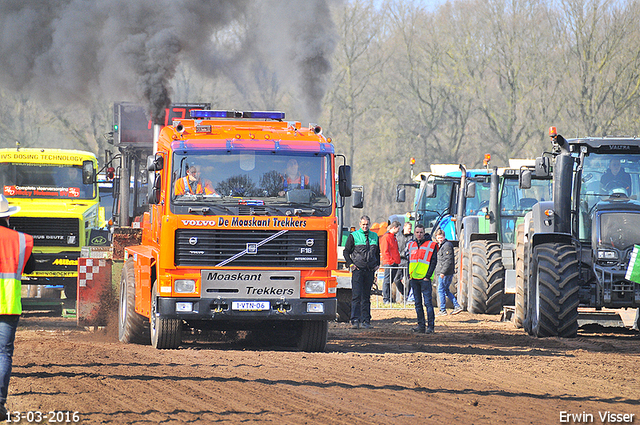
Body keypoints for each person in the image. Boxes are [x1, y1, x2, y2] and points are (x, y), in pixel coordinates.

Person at [0, 195, 35, 420]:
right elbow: (30, 268)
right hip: (8, 305)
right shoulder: (22, 240)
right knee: (3, 353)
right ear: (8, 216)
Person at [343, 215, 380, 329]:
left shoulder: (375, 236)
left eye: (367, 224)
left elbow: (377, 252)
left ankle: (366, 320)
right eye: (363, 224)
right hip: (358, 270)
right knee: (356, 296)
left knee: (366, 297)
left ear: (369, 224)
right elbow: (346, 252)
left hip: (369, 271)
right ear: (360, 224)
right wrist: (351, 264)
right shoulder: (353, 236)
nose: (365, 226)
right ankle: (355, 320)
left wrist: (377, 264)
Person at [407, 223, 438, 334]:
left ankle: (430, 326)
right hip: (414, 278)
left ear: (424, 233)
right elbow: (409, 261)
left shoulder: (431, 245)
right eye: (417, 232)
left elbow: (433, 262)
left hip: (425, 279)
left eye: (421, 232)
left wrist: (427, 276)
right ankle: (421, 326)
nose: (419, 234)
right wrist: (409, 276)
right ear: (415, 233)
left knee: (428, 304)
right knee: (418, 304)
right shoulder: (411, 245)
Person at [433, 228, 462, 316]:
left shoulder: (447, 245)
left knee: (441, 290)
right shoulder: (441, 245)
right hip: (443, 272)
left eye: (441, 237)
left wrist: (443, 272)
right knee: (445, 290)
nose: (440, 239)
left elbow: (448, 260)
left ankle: (442, 310)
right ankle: (457, 306)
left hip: (445, 273)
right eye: (438, 238)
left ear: (444, 237)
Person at [380, 221, 402, 305]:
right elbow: (385, 251)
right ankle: (386, 298)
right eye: (398, 229)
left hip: (394, 262)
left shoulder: (393, 237)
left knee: (390, 280)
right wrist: (391, 261)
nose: (398, 231)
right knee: (387, 281)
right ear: (394, 228)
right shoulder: (387, 237)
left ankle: (389, 298)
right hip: (389, 263)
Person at [394, 221, 413, 303]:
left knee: (408, 280)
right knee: (396, 279)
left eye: (410, 229)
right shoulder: (398, 237)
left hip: (408, 261)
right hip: (399, 260)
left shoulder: (412, 237)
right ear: (404, 227)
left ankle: (407, 296)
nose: (409, 230)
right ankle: (404, 293)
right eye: (408, 228)